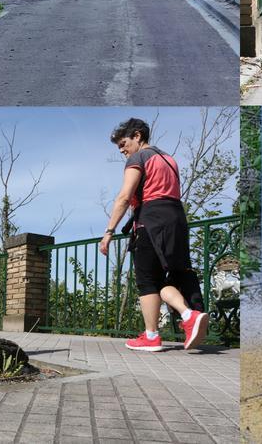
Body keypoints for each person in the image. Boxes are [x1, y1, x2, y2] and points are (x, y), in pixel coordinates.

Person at [100, 118, 207, 352]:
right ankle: (191, 314)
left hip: (151, 220)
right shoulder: (169, 160)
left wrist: (109, 231)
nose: (121, 149)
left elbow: (124, 197)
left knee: (147, 280)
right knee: (172, 276)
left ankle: (153, 335)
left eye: (123, 142)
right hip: (176, 219)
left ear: (138, 136)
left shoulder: (137, 158)